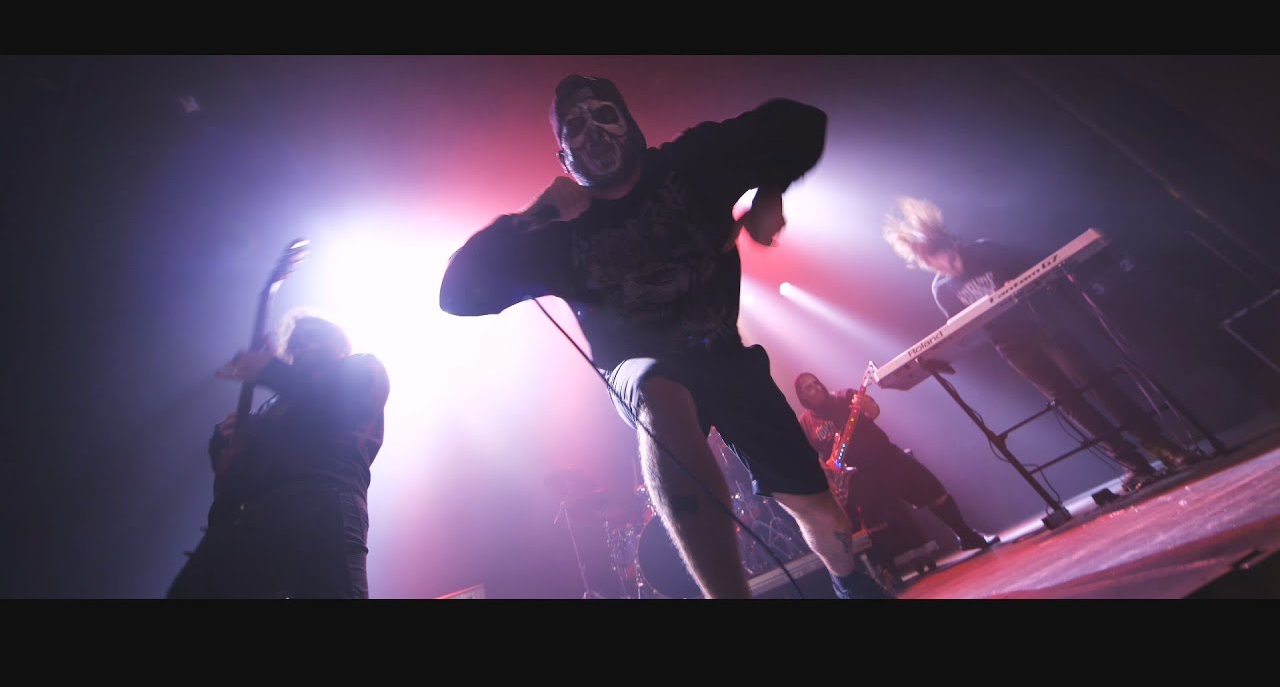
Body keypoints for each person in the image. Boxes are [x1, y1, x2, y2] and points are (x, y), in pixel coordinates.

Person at [440, 74, 888, 599]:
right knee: (658, 390)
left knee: (815, 505)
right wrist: (537, 214)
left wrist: (770, 194)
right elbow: (457, 293)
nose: (592, 133)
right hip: (635, 367)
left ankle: (849, 581)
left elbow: (801, 124)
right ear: (563, 158)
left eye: (603, 115)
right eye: (575, 127)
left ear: (630, 124)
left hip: (723, 354)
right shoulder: (557, 233)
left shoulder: (691, 163)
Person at [883, 197, 1200, 492]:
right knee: (1069, 403)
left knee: (1098, 384)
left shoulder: (987, 250)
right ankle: (1132, 463)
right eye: (938, 265)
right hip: (1012, 347)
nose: (950, 268)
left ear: (952, 243)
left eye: (950, 259)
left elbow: (1038, 274)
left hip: (1044, 327)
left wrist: (1016, 285)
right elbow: (966, 331)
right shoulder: (942, 289)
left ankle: (1162, 446)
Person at [168, 312, 390, 598]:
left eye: (313, 336)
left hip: (322, 503)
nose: (301, 346)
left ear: (340, 344)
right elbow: (235, 474)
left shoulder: (360, 367)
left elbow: (337, 402)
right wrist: (222, 440)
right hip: (254, 519)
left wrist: (271, 370)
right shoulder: (279, 404)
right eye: (295, 344)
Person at [794, 372, 998, 574]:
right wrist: (827, 470)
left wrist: (868, 406)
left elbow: (873, 411)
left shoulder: (845, 397)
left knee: (932, 490)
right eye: (808, 388)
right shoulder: (806, 424)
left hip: (884, 457)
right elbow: (809, 456)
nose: (815, 389)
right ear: (802, 397)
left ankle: (967, 536)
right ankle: (894, 569)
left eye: (816, 383)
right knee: (882, 523)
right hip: (857, 478)